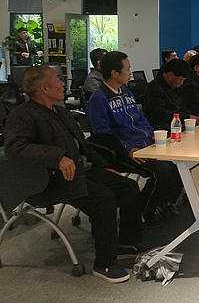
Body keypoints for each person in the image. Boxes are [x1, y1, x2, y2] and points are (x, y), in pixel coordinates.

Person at [4, 66, 144, 283]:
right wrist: (57, 157)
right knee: (103, 199)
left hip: (79, 171)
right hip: (50, 180)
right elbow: (15, 148)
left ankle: (125, 244)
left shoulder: (60, 112)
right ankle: (105, 263)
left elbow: (84, 147)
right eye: (58, 79)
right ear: (44, 87)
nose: (63, 83)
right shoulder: (22, 116)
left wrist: (103, 166)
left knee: (128, 187)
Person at [86, 51, 183, 227]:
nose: (130, 72)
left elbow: (140, 117)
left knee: (179, 162)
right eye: (127, 69)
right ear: (114, 73)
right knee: (162, 171)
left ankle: (162, 201)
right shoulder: (98, 99)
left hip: (145, 143)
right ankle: (143, 212)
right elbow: (102, 136)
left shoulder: (126, 92)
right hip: (124, 152)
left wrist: (152, 133)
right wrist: (126, 150)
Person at [143, 59, 199, 131]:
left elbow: (183, 106)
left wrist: (192, 117)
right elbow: (160, 114)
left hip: (179, 125)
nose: (181, 83)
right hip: (164, 129)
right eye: (181, 80)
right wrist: (186, 117)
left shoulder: (175, 86)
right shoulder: (154, 88)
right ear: (170, 75)